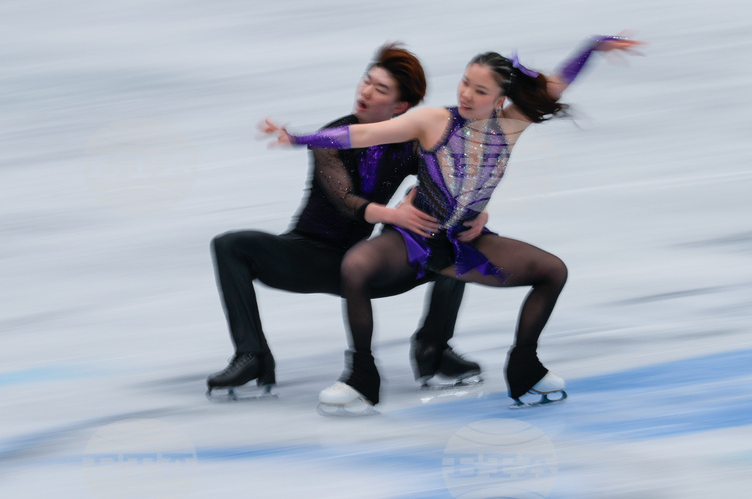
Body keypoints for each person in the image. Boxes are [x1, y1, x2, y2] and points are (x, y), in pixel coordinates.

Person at [262, 34, 642, 408]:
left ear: (500, 99)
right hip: (416, 238)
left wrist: (593, 47)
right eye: (465, 82)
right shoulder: (432, 120)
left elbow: (555, 85)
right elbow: (363, 133)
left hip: (463, 244)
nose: (466, 95)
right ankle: (361, 378)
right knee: (356, 265)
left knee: (553, 271)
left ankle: (525, 368)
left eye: (480, 90)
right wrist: (297, 138)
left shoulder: (511, 124)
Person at [207, 43, 487, 399]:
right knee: (230, 245)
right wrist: (392, 215)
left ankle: (433, 349)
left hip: (366, 266)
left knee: (459, 246)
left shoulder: (411, 143)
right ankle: (252, 355)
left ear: (400, 107)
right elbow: (344, 200)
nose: (366, 92)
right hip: (310, 256)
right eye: (367, 81)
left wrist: (475, 212)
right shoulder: (331, 139)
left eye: (380, 89)